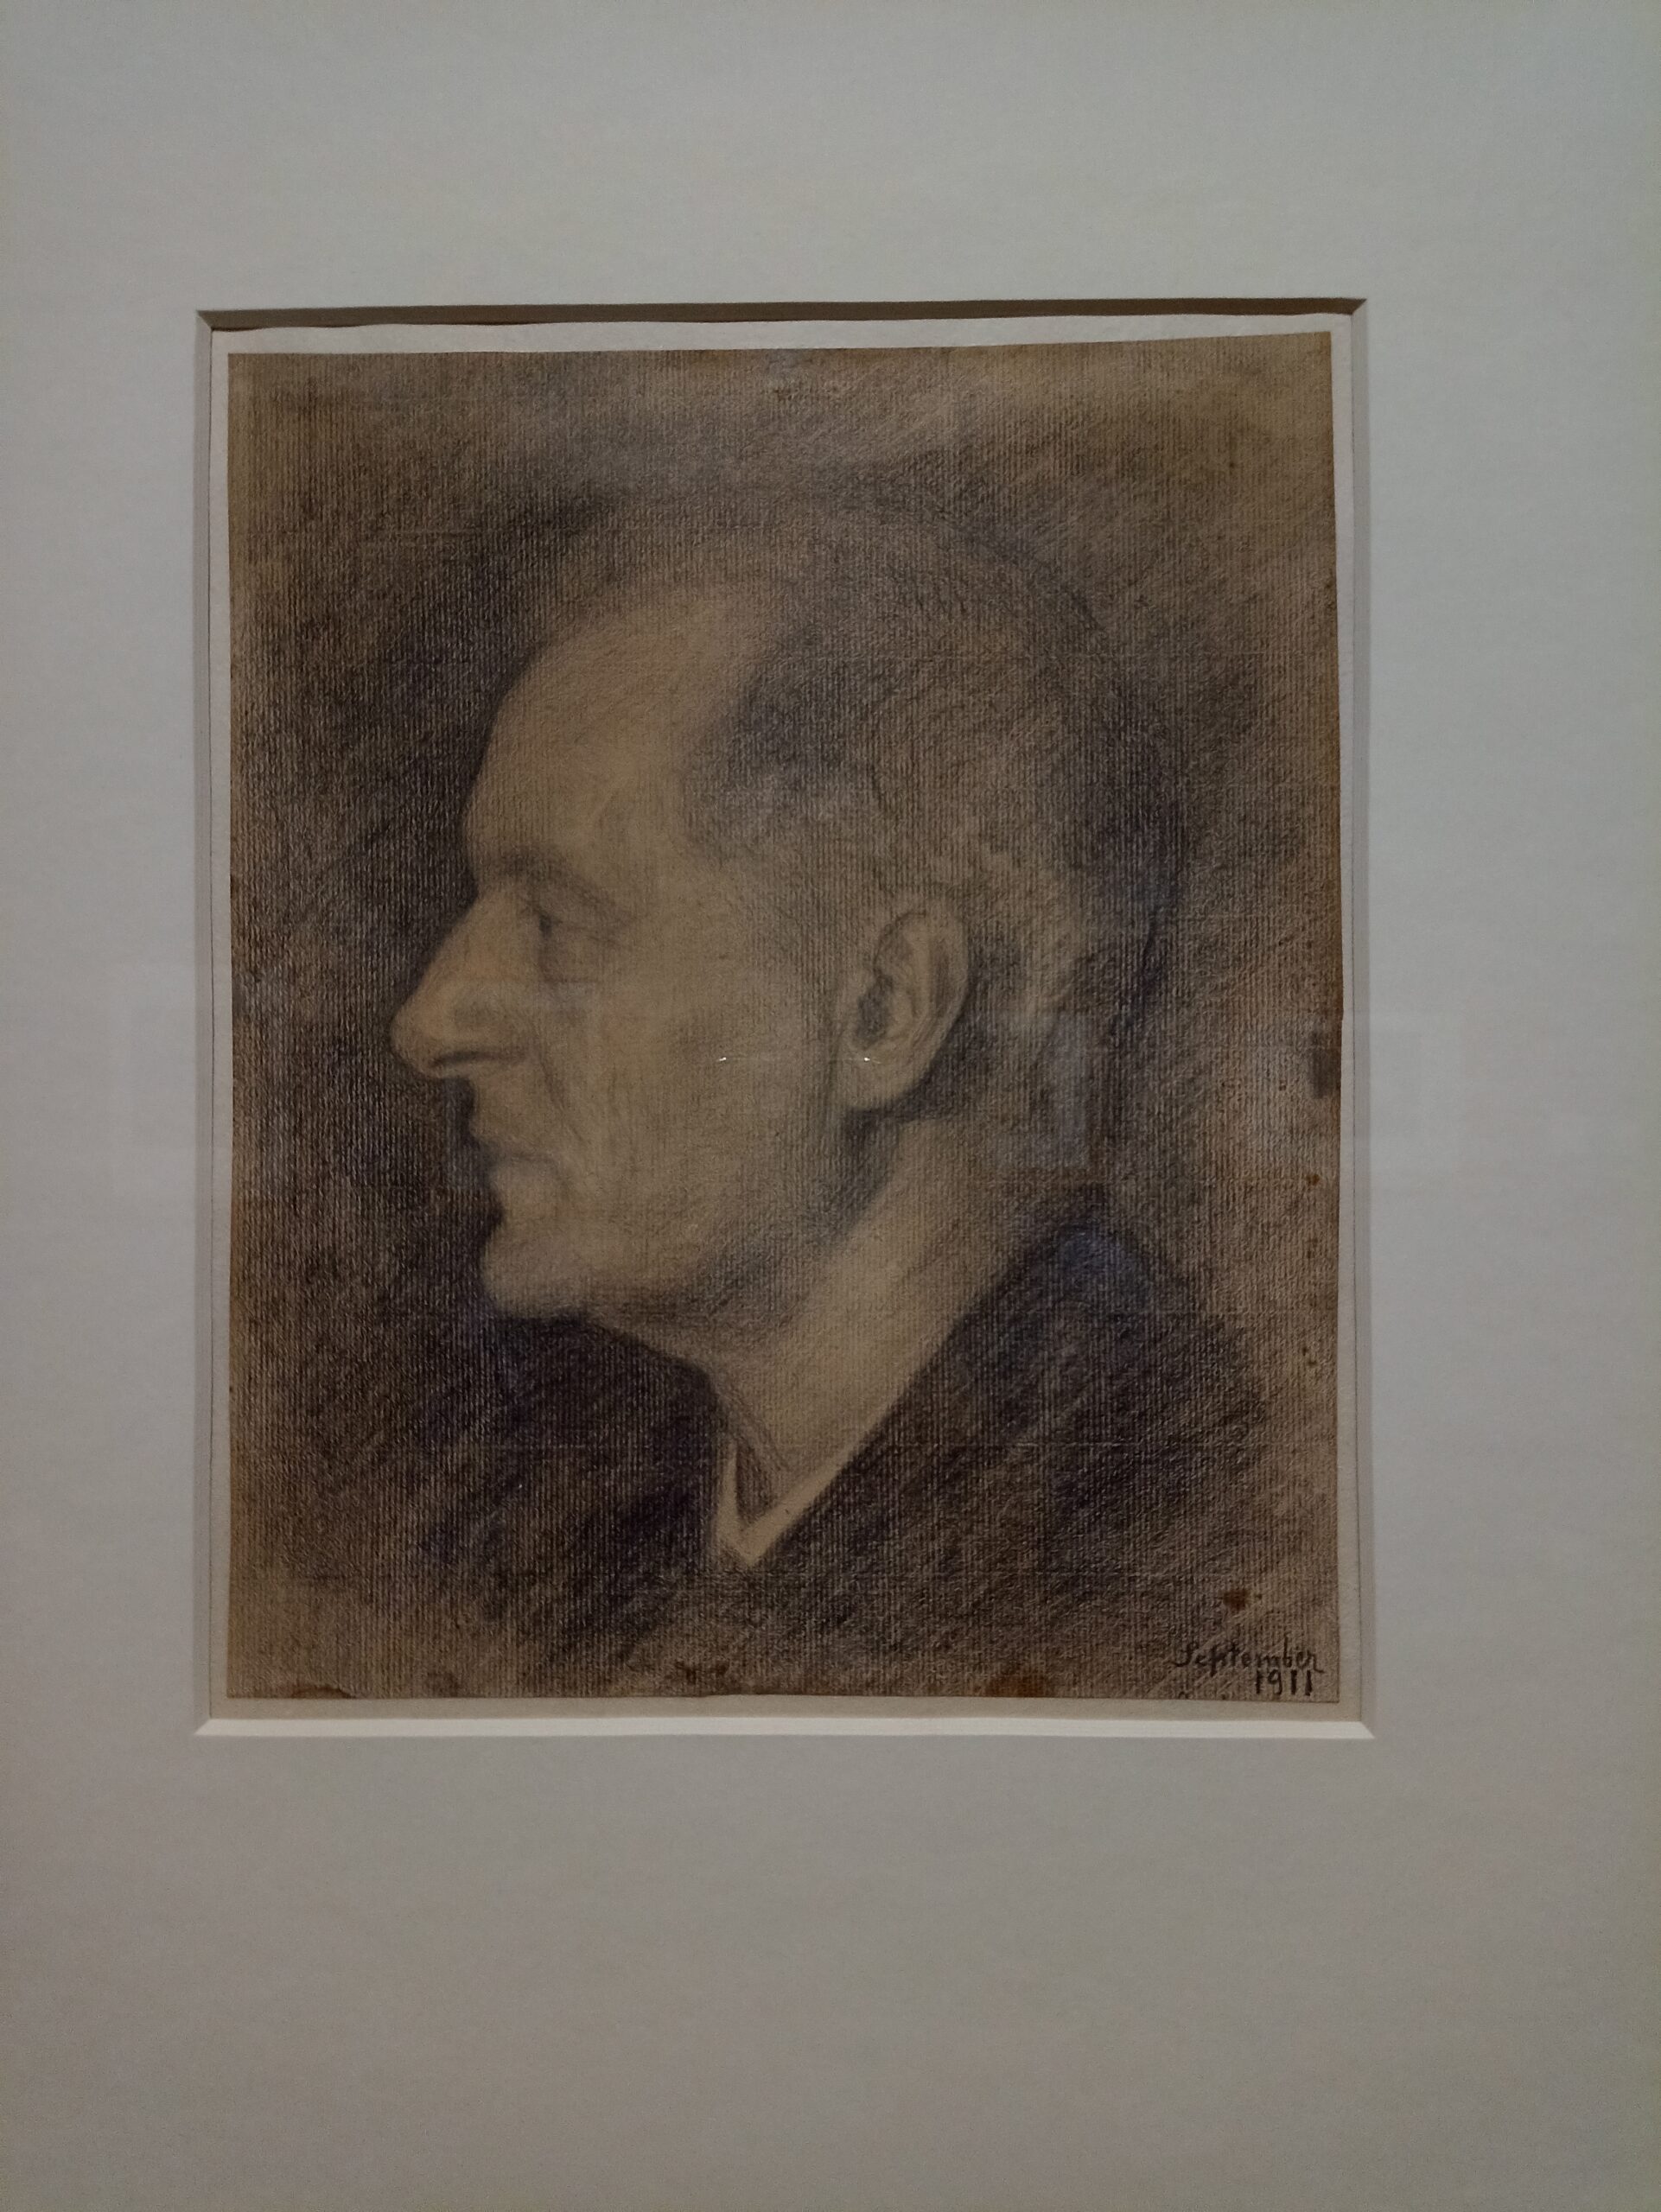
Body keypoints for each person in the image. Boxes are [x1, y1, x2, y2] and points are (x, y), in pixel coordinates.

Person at [391, 498, 1257, 1696]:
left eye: (556, 920)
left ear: (883, 1011)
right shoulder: (572, 1531)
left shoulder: (1175, 1531)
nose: (431, 1022)